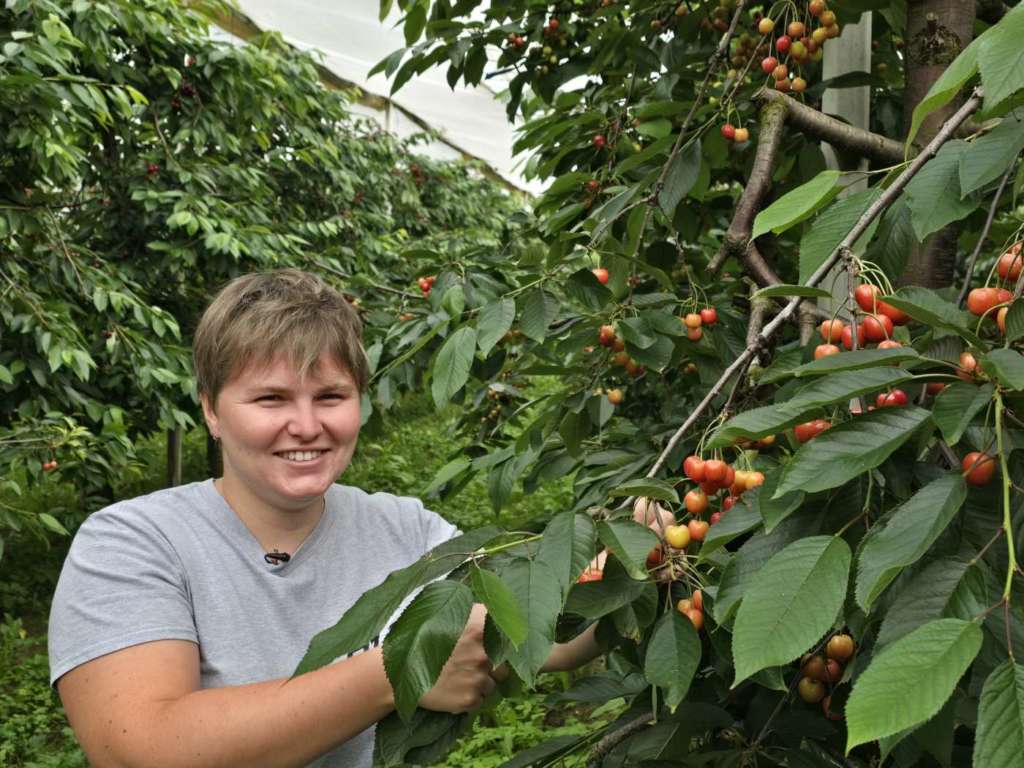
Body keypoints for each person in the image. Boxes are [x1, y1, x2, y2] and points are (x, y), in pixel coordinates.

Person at [49, 269, 601, 768]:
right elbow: (142, 748)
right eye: (270, 399)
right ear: (212, 410)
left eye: (331, 395)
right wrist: (395, 670)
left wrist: (632, 566)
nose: (306, 425)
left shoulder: (407, 530)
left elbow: (538, 636)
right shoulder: (131, 543)